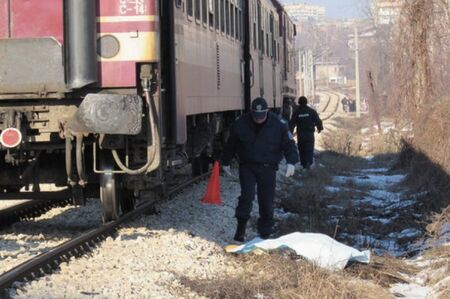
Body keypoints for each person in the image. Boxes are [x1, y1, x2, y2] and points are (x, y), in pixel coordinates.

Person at [222, 97, 299, 242]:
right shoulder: (240, 124)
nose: (258, 119)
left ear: (267, 112)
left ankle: (265, 233)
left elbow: (289, 144)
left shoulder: (279, 124)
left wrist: (291, 162)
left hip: (268, 168)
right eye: (256, 116)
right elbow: (231, 144)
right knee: (247, 196)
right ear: (251, 113)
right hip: (247, 166)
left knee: (266, 201)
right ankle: (240, 230)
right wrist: (225, 161)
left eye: (261, 116)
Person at [289, 96, 323, 170]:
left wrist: (290, 132)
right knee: (309, 148)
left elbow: (292, 123)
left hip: (301, 134)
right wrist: (319, 128)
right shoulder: (311, 111)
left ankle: (303, 163)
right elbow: (318, 120)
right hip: (309, 134)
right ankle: (308, 162)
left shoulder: (296, 112)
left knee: (301, 148)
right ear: (306, 102)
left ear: (299, 103)